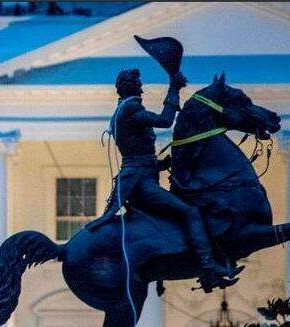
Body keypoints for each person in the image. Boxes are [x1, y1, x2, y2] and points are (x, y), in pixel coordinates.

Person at [85, 68, 238, 292]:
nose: (141, 87)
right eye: (137, 83)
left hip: (141, 175)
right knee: (190, 212)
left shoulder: (123, 110)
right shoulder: (130, 109)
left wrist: (159, 164)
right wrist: (174, 88)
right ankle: (208, 268)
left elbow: (137, 155)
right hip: (141, 185)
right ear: (130, 87)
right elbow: (165, 121)